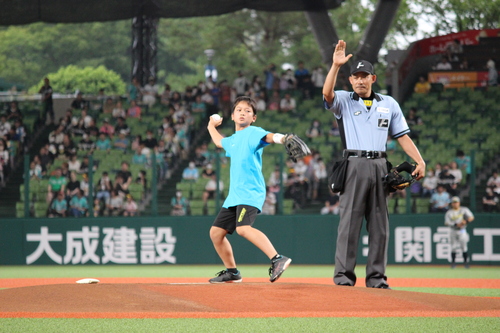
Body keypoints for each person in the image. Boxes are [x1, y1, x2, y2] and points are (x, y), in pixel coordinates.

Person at [322, 40, 425, 289]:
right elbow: (327, 94)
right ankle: (344, 278)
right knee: (349, 224)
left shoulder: (389, 103)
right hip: (354, 164)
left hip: (380, 165)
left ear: (373, 78)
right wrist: (335, 66)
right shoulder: (344, 100)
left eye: (363, 76)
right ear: (350, 81)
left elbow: (402, 136)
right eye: (355, 76)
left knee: (380, 225)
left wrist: (419, 160)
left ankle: (377, 278)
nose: (359, 80)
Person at [206, 96, 292, 284]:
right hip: (234, 196)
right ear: (232, 115)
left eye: (248, 111)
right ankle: (232, 272)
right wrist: (211, 126)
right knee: (215, 233)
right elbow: (219, 142)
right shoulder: (233, 140)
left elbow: (269, 136)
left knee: (243, 229)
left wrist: (283, 138)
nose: (243, 112)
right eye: (239, 110)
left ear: (253, 118)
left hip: (250, 192)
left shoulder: (253, 132)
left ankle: (278, 259)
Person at [444, 196, 474, 268]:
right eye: (453, 202)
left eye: (456, 202)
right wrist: (455, 224)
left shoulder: (464, 210)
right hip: (453, 230)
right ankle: (453, 263)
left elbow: (471, 217)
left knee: (464, 246)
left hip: (462, 230)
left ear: (459, 203)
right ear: (451, 204)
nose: (455, 204)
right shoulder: (449, 212)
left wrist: (465, 221)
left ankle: (466, 263)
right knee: (453, 247)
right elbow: (446, 222)